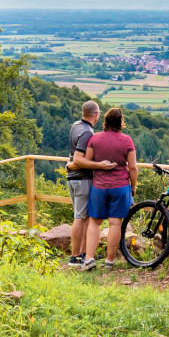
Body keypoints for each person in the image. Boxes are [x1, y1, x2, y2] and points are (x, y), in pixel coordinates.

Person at [81, 108, 139, 267]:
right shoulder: (127, 140)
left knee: (94, 222)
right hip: (120, 187)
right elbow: (133, 168)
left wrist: (99, 165)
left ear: (105, 121)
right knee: (115, 223)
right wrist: (133, 186)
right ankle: (109, 260)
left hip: (99, 187)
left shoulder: (94, 139)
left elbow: (87, 161)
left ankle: (89, 258)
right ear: (121, 122)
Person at [64, 101, 101, 267]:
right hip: (82, 179)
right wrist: (100, 165)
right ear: (96, 114)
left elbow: (73, 155)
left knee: (84, 216)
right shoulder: (87, 132)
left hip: (73, 179)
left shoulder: (76, 126)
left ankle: (85, 254)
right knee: (79, 217)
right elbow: (79, 159)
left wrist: (70, 165)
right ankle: (75, 257)